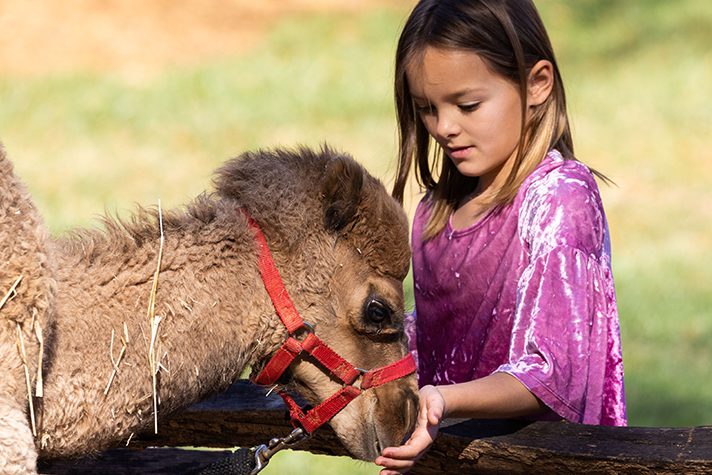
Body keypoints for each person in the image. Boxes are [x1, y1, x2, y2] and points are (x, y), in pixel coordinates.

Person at [375, 0, 627, 473]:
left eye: (468, 105)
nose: (445, 128)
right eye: (427, 109)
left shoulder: (559, 197)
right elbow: (435, 343)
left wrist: (443, 400)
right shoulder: (434, 213)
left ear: (537, 84)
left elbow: (552, 374)